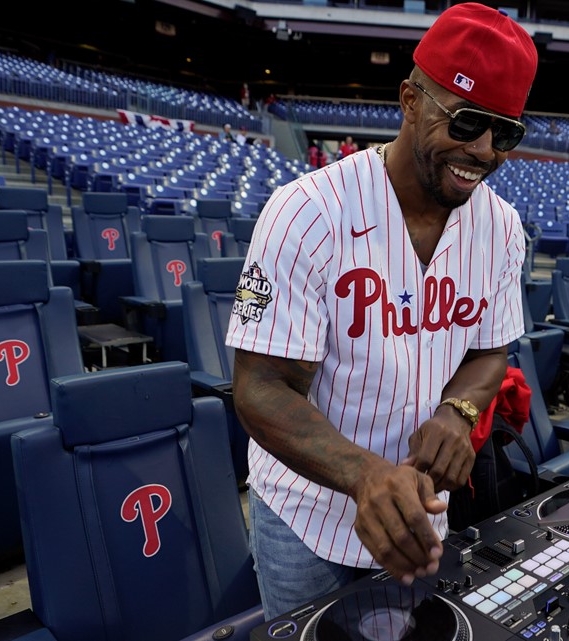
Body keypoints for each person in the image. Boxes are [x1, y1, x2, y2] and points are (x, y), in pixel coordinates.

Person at [225, 2, 537, 619]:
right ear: (410, 100)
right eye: (468, 122)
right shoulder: (306, 212)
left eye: (504, 134)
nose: (481, 150)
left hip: (422, 512)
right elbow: (259, 387)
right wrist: (365, 474)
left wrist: (459, 408)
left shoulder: (501, 228)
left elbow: (489, 350)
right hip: (304, 516)